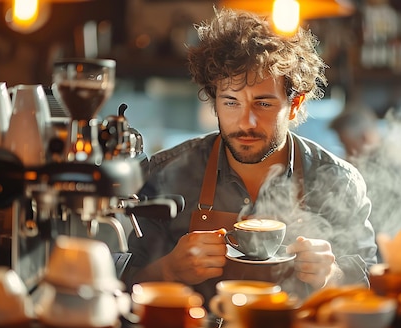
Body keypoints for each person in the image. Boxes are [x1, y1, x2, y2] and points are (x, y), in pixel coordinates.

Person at [122, 8, 377, 304]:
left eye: (263, 104)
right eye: (231, 102)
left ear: (294, 105)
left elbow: (371, 287)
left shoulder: (338, 182)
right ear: (214, 101)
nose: (246, 122)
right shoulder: (167, 174)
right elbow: (125, 285)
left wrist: (331, 275)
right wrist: (169, 269)